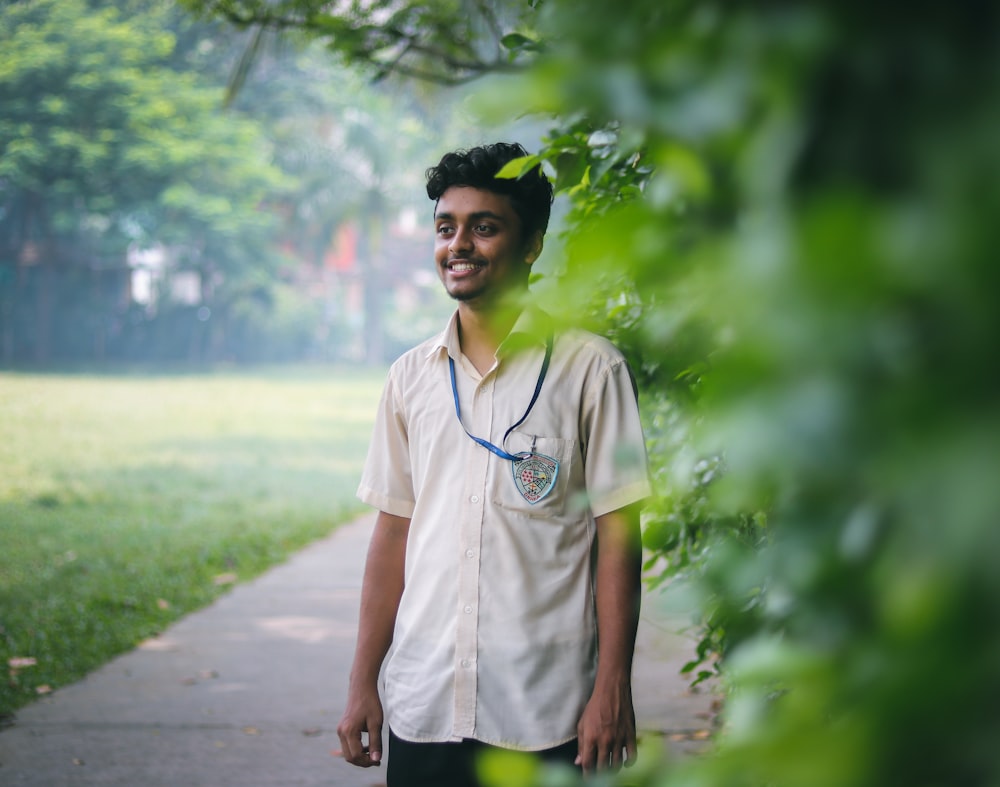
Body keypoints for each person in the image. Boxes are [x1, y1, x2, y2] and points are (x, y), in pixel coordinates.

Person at [336, 142, 651, 786]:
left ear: (531, 244)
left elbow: (618, 533)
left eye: (485, 227)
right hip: (426, 702)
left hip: (546, 709)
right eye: (446, 227)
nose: (459, 245)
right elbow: (393, 534)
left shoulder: (591, 369)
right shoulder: (410, 378)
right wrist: (362, 682)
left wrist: (611, 688)